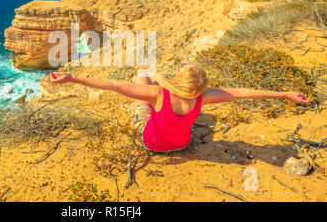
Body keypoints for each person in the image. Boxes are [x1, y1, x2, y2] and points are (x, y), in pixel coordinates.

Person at [45, 63, 312, 153]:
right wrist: (285, 93)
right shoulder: (204, 97)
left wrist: (73, 78)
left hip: (151, 142)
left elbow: (112, 85)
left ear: (178, 81)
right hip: (183, 144)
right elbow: (242, 93)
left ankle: (138, 109)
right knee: (155, 88)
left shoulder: (158, 95)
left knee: (141, 84)